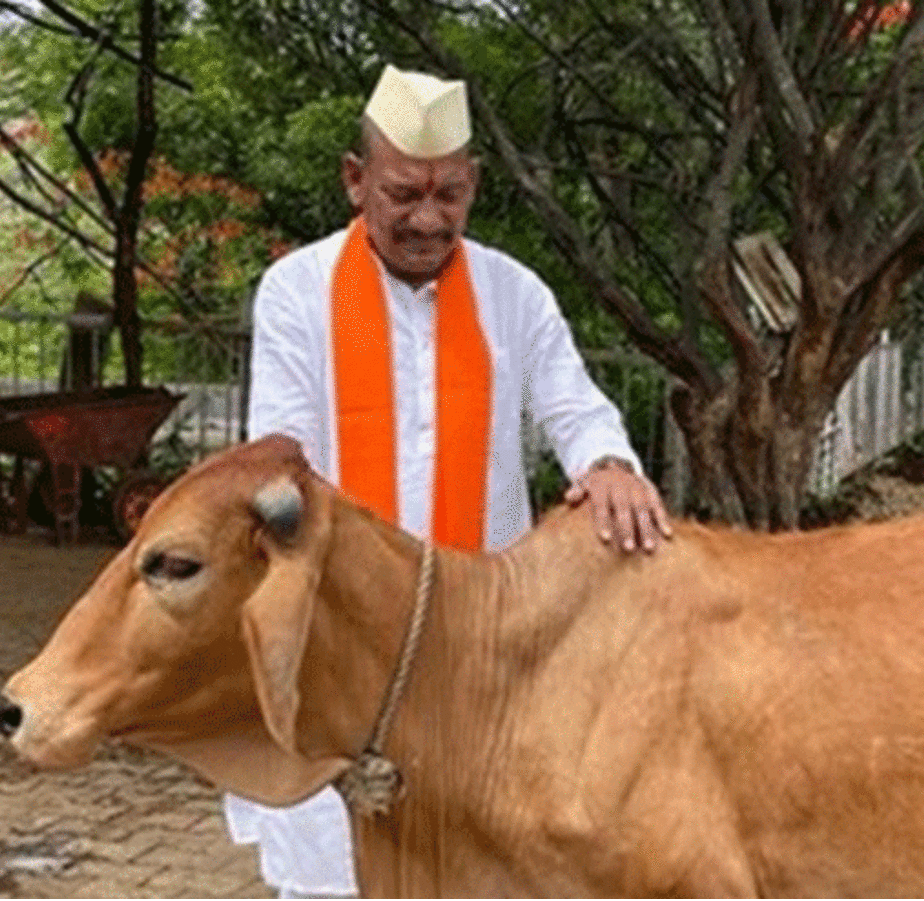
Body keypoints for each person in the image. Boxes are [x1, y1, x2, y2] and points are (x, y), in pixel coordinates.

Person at [226, 64, 673, 899]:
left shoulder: (514, 293)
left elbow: (575, 408)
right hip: (343, 636)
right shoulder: (298, 293)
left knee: (482, 867)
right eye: (403, 193)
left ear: (474, 186)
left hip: (477, 646)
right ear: (356, 180)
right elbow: (280, 449)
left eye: (449, 195)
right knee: (335, 875)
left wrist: (609, 467)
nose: (428, 219)